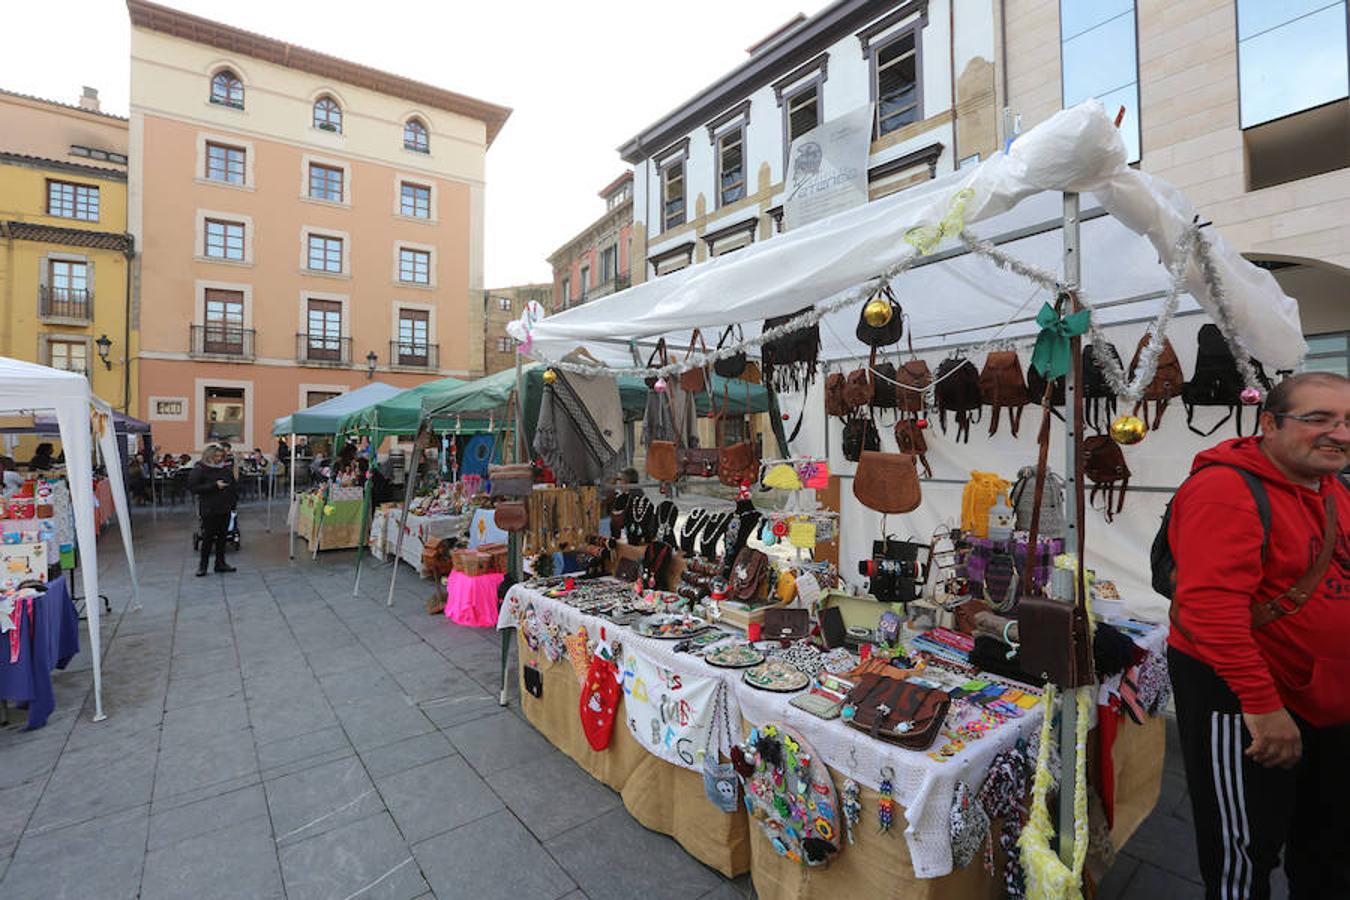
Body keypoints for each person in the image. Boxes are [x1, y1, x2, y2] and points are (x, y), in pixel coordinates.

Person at [1167, 371, 1350, 899]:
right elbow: (1208, 610)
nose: (1338, 433)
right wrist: (1263, 704)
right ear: (1269, 423)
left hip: (1323, 699)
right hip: (1245, 696)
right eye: (1318, 419)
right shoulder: (1225, 490)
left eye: (1346, 422)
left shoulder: (1333, 486)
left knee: (1327, 844)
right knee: (1243, 853)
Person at [188, 443, 239, 576]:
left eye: (221, 456)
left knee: (223, 537)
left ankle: (220, 563)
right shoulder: (200, 469)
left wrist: (233, 502)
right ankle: (203, 566)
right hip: (209, 508)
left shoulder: (225, 469)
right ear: (209, 456)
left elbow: (233, 485)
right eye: (216, 456)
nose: (219, 459)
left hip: (225, 507)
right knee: (208, 537)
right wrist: (214, 486)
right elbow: (193, 488)